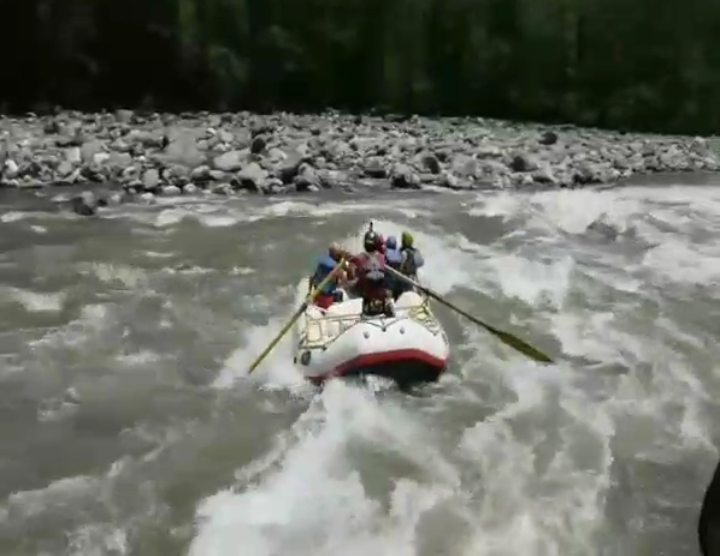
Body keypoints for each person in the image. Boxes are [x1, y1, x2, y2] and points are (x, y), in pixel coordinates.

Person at [351, 229, 394, 316]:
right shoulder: (382, 257)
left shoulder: (359, 258)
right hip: (382, 301)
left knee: (350, 286)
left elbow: (355, 274)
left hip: (368, 302)